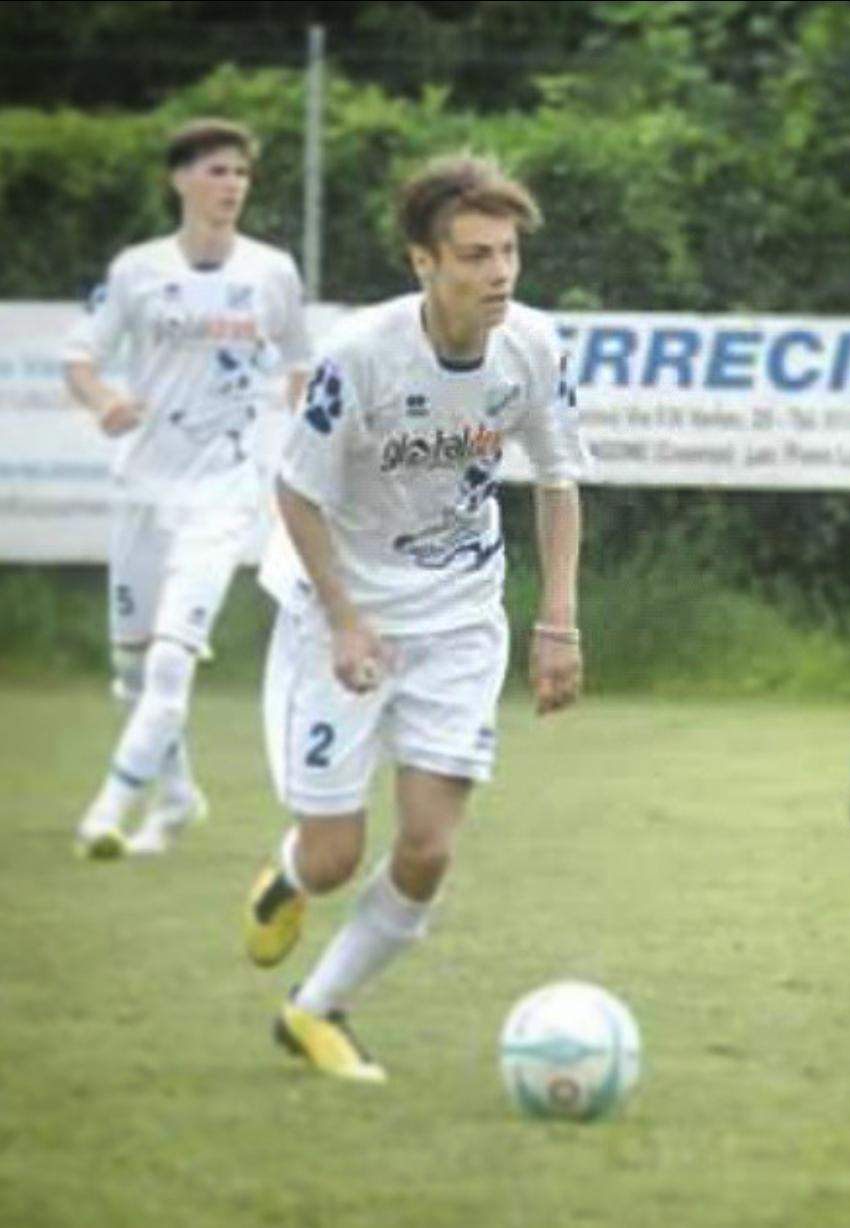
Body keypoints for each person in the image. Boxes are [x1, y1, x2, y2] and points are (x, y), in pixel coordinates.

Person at [242, 152, 589, 1084]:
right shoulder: (361, 356)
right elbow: (297, 492)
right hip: (341, 620)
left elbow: (559, 484)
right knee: (333, 855)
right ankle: (291, 874)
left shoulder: (535, 347)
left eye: (508, 252)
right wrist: (349, 622)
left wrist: (558, 622)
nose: (499, 273)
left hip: (461, 620)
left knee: (428, 848)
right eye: (474, 255)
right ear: (423, 264)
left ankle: (317, 1010)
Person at [65, 118, 312, 859]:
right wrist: (104, 399)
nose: (231, 184)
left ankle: (107, 812)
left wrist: (310, 449)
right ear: (179, 180)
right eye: (215, 171)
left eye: (240, 172)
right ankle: (176, 800)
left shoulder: (273, 272)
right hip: (142, 492)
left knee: (174, 659)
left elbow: (300, 369)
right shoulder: (137, 270)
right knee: (133, 673)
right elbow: (81, 358)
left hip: (225, 493)